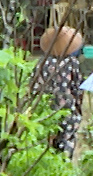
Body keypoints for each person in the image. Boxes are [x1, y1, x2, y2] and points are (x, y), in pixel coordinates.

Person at [30, 25, 85, 155]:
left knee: (46, 141)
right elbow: (77, 88)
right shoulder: (72, 63)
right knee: (66, 140)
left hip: (46, 108)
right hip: (66, 108)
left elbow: (33, 86)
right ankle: (65, 163)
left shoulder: (42, 62)